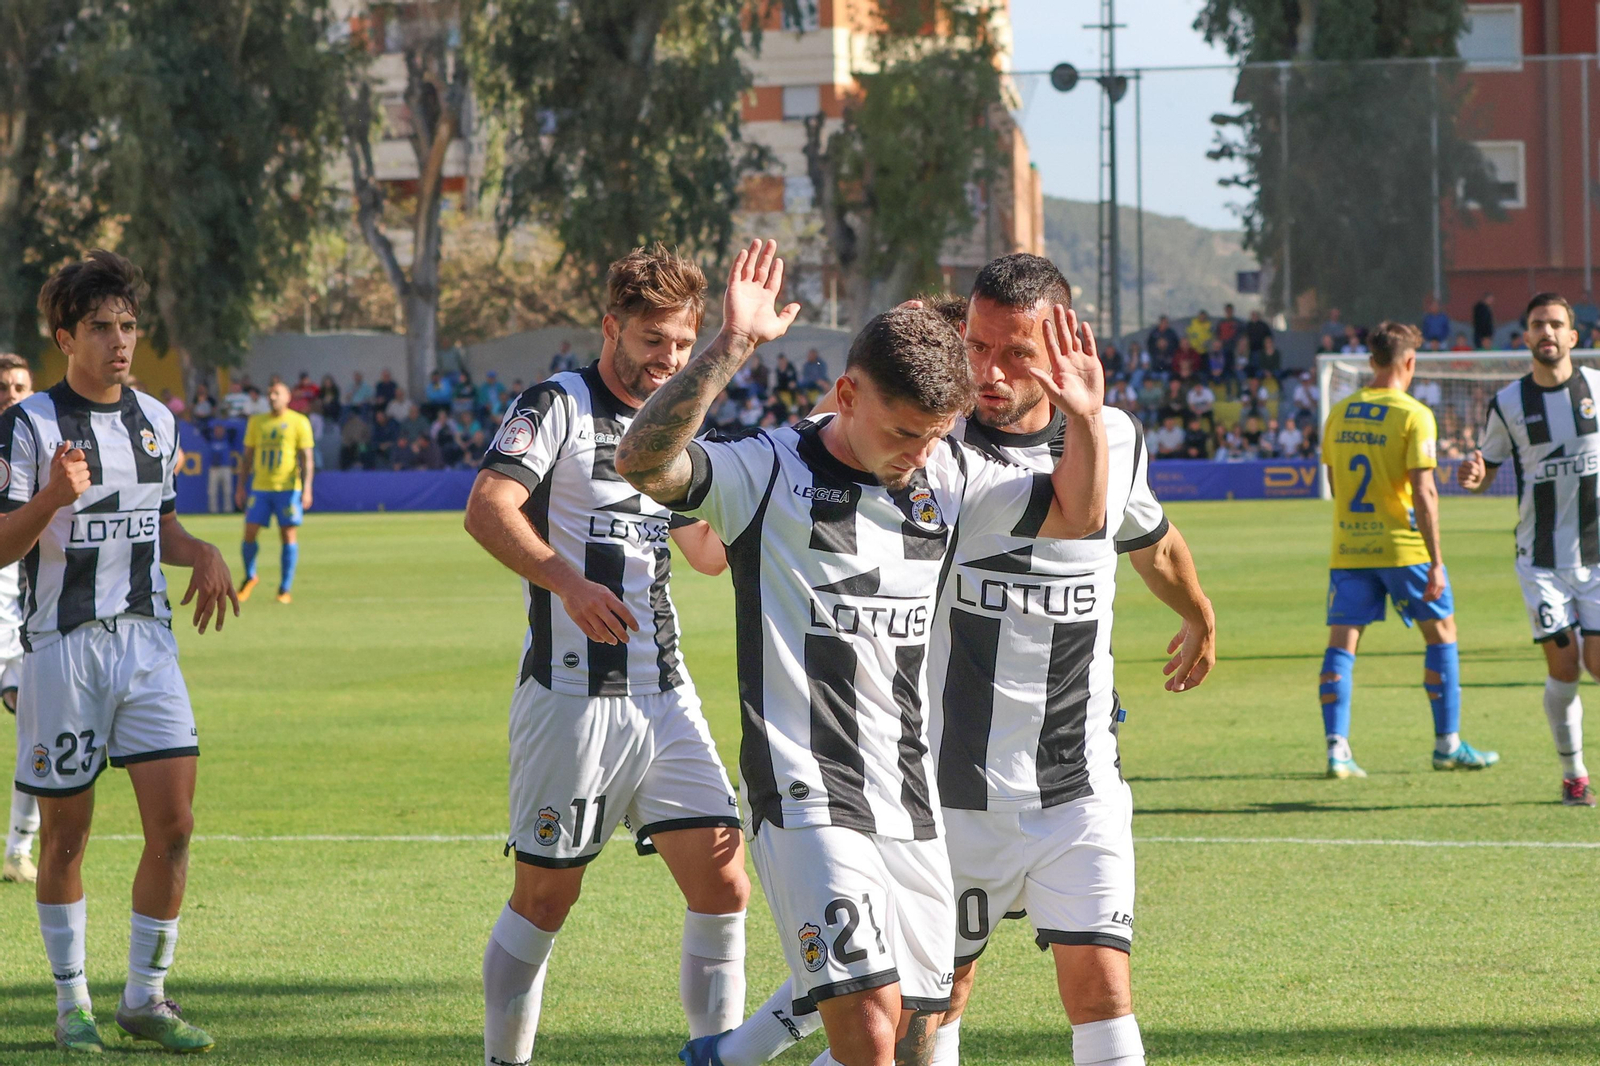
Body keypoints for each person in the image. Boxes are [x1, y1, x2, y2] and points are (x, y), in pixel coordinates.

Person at [618, 239, 1110, 1066]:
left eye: (934, 435)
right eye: (905, 431)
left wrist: (1086, 417)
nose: (919, 452)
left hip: (910, 804)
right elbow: (643, 462)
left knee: (920, 1032)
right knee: (867, 1030)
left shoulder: (944, 482)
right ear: (846, 393)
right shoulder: (767, 469)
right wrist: (733, 344)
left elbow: (1078, 516)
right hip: (806, 793)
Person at [463, 244, 749, 1066]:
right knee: (546, 896)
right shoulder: (556, 402)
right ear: (611, 327)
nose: (668, 359)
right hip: (571, 695)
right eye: (653, 340)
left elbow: (704, 551)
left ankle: (714, 1055)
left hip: (665, 689)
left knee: (724, 881)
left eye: (682, 343)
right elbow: (488, 508)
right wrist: (567, 584)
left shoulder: (678, 422)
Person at [5, 250, 237, 1053]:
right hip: (60, 648)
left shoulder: (157, 421)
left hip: (146, 643)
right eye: (101, 327)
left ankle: (146, 997)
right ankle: (73, 1005)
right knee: (66, 838)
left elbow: (158, 524)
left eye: (129, 326)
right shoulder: (29, 424)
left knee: (174, 824)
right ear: (64, 336)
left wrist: (200, 549)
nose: (120, 341)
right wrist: (51, 499)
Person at [1321, 321, 1498, 778]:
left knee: (1343, 643)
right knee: (1441, 632)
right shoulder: (1413, 413)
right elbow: (1425, 493)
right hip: (1404, 547)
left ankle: (1337, 749)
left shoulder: (1338, 413)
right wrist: (1436, 560)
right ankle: (1447, 745)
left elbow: (1335, 482)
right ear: (1410, 361)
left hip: (1350, 548)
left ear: (1371, 360)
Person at [1458, 293, 1599, 805]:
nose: (1547, 332)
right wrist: (1473, 478)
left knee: (1599, 665)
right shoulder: (1509, 404)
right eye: (1538, 324)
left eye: (1556, 324)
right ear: (1526, 337)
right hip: (1541, 560)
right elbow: (1486, 470)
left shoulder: (1597, 389)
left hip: (1598, 556)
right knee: (1564, 670)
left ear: (1573, 336)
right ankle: (1574, 774)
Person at [0, 354, 35, 885]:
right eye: (3, 387)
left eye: (19, 386)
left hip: (20, 625)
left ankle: (18, 852)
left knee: (39, 727)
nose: (10, 393)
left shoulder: (42, 451)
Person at [235, 381, 315, 605]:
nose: (272, 397)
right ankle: (250, 576)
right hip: (260, 487)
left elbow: (306, 458)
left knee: (288, 535)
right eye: (270, 393)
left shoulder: (299, 422)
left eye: (277, 393)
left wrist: (307, 488)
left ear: (288, 397)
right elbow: (248, 456)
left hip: (287, 488)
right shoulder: (257, 422)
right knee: (249, 532)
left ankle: (284, 588)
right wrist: (241, 486)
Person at [205, 423, 234, 514]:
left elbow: (234, 431)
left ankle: (228, 510)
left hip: (226, 468)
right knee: (212, 491)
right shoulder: (211, 440)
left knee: (228, 491)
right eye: (217, 431)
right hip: (214, 468)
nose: (219, 432)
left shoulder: (227, 440)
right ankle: (213, 510)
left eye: (220, 430)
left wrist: (224, 427)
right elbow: (203, 430)